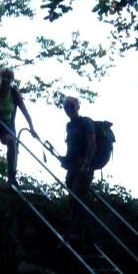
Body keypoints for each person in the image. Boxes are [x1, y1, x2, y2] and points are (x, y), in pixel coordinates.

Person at [0, 67, 37, 188]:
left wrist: (31, 128)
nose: (5, 80)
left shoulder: (14, 94)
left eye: (8, 77)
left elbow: (25, 112)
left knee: (12, 142)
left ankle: (11, 176)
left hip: (6, 125)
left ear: (12, 80)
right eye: (3, 77)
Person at [60, 96, 96, 237]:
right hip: (73, 167)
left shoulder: (86, 122)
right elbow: (71, 148)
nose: (70, 109)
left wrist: (87, 163)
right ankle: (80, 232)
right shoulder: (69, 126)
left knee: (77, 196)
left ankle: (77, 234)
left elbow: (92, 143)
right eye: (67, 107)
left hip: (84, 166)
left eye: (72, 106)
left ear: (78, 107)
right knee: (73, 196)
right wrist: (65, 160)